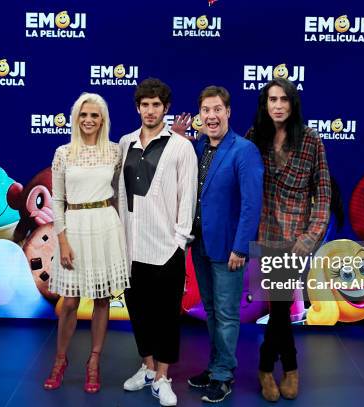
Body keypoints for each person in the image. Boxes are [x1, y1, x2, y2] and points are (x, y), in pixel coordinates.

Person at [246, 78, 331, 401]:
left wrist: (310, 238)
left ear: (292, 104)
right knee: (280, 306)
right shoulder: (255, 137)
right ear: (264, 105)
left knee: (280, 307)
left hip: (296, 240)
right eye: (272, 99)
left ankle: (272, 368)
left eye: (283, 99)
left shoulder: (311, 141)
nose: (278, 105)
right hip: (265, 235)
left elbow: (322, 195)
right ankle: (282, 369)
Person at [119, 78, 198, 407]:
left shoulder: (181, 147)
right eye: (145, 104)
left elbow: (187, 197)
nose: (150, 110)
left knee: (166, 317)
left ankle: (163, 378)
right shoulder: (125, 143)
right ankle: (147, 369)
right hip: (130, 248)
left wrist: (179, 241)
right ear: (138, 107)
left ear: (166, 109)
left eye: (156, 105)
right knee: (138, 314)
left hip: (166, 249)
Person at [44, 92, 129, 394]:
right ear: (76, 118)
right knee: (69, 301)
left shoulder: (116, 151)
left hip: (106, 225)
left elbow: (120, 194)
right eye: (83, 115)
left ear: (103, 119)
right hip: (75, 227)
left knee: (103, 298)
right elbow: (56, 199)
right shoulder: (63, 153)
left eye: (94, 115)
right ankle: (60, 360)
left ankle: (93, 362)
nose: (89, 120)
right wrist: (62, 240)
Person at [187, 86, 264, 403]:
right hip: (200, 244)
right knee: (211, 310)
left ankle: (223, 376)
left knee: (228, 313)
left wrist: (241, 248)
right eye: (206, 110)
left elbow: (251, 204)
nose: (211, 116)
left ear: (228, 112)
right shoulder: (199, 147)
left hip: (229, 248)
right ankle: (216, 366)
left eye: (217, 109)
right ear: (200, 115)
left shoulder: (244, 150)